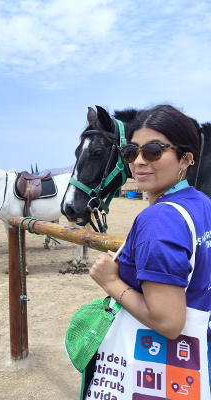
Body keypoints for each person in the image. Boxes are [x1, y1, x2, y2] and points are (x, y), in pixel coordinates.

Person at [88, 105, 211, 394]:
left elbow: (168, 323)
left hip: (155, 370)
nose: (139, 161)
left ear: (186, 158)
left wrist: (111, 281)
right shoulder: (202, 203)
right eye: (131, 152)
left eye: (154, 151)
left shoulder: (158, 219)